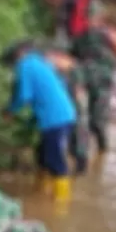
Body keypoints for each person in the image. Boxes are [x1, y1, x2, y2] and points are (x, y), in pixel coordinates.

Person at [2, 41, 79, 200]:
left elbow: (24, 96)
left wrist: (10, 111)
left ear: (18, 55)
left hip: (55, 119)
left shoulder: (25, 65)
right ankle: (40, 193)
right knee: (43, 156)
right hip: (63, 115)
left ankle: (60, 205)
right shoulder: (41, 63)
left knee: (55, 159)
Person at [69, 6, 116, 165]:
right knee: (82, 118)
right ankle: (85, 154)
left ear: (100, 19)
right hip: (85, 81)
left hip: (103, 83)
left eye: (93, 18)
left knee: (97, 121)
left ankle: (103, 150)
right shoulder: (80, 37)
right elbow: (71, 59)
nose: (90, 22)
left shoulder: (110, 36)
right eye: (88, 18)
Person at [41, 41, 93, 178]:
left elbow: (79, 93)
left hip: (75, 108)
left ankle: (80, 167)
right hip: (63, 110)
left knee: (78, 140)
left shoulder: (75, 69)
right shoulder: (55, 68)